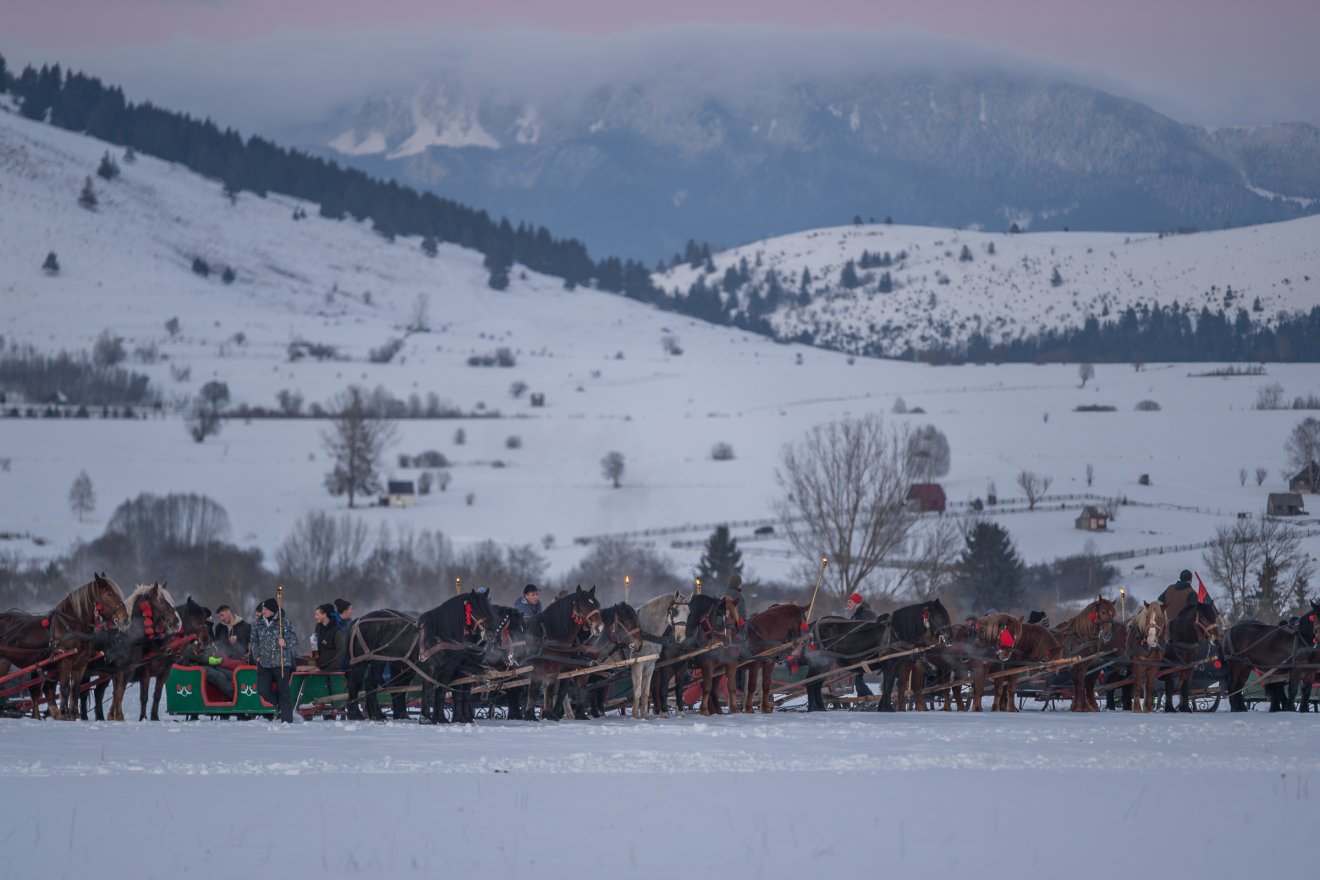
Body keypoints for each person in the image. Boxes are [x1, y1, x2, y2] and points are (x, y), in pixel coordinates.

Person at [250, 597, 298, 722]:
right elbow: (254, 642)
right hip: (264, 663)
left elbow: (294, 639)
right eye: (263, 609)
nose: (263, 611)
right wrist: (257, 656)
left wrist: (285, 642)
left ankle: (287, 719)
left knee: (284, 692)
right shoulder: (257, 624)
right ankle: (280, 706)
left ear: (272, 610)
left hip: (281, 662)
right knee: (262, 690)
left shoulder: (284, 623)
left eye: (266, 609)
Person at [178, 635, 242, 700]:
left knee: (229, 674)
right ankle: (236, 697)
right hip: (192, 666)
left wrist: (214, 655)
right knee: (218, 676)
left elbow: (209, 649)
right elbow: (193, 654)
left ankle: (240, 693)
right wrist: (209, 659)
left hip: (204, 663)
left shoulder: (202, 635)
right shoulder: (188, 639)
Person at [843, 592, 876, 697]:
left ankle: (867, 695)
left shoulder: (866, 614)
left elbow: (868, 631)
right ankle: (863, 695)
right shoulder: (857, 614)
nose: (847, 604)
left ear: (856, 602)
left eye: (850, 602)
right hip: (858, 649)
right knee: (857, 675)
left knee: (857, 675)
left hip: (866, 649)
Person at [313, 603, 346, 671]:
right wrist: (315, 654)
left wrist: (332, 667)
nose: (315, 617)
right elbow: (315, 645)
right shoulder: (318, 628)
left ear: (325, 615)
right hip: (320, 667)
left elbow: (342, 651)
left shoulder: (337, 631)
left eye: (317, 614)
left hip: (333, 670)